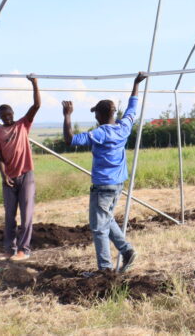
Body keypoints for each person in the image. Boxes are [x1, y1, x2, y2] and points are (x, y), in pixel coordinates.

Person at [61, 72, 146, 273]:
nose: (95, 117)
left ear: (100, 115)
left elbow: (70, 140)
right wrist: (136, 84)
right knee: (106, 220)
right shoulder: (123, 128)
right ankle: (127, 251)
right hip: (117, 184)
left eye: (95, 114)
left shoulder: (100, 133)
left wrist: (67, 116)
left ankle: (105, 270)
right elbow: (133, 107)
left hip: (103, 186)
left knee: (99, 227)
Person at [0, 76, 41, 261]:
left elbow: (36, 106)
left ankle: (23, 250)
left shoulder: (22, 125)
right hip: (9, 179)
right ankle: (9, 249)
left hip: (26, 175)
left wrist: (34, 83)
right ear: (0, 117)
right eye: (4, 116)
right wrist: (3, 176)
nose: (8, 117)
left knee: (26, 215)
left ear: (13, 113)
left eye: (9, 114)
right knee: (9, 216)